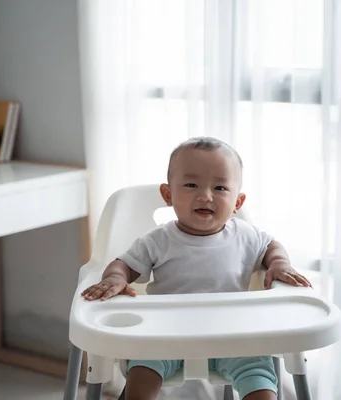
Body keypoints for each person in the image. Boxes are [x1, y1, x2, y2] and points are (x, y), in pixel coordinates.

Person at [82, 137, 311, 400]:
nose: (205, 195)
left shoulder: (246, 236)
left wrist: (280, 263)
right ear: (168, 195)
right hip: (165, 336)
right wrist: (115, 278)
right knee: (141, 379)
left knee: (262, 385)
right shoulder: (158, 240)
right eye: (191, 185)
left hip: (236, 337)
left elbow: (272, 246)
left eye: (221, 187)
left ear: (238, 201)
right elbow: (123, 265)